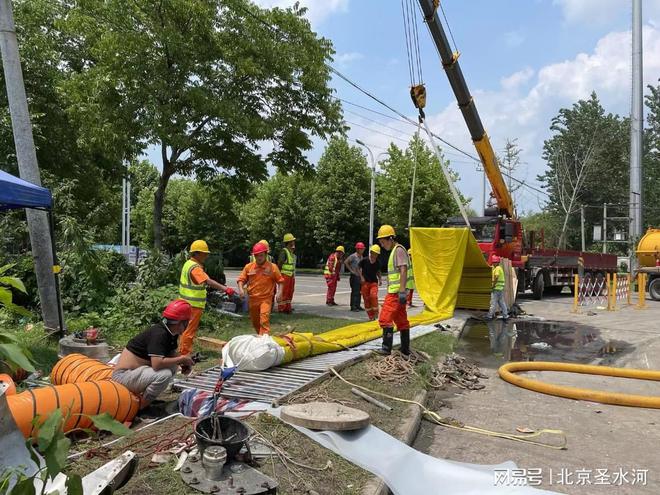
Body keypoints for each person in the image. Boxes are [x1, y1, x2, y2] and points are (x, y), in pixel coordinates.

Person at [112, 299, 195, 408]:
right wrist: (182, 359)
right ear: (181, 323)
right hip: (123, 376)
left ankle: (146, 399)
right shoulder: (159, 334)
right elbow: (157, 364)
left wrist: (184, 362)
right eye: (187, 322)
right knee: (164, 375)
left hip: (135, 373)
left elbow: (171, 355)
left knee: (172, 367)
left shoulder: (170, 332)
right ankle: (140, 407)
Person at [179, 240, 235, 355]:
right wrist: (225, 289)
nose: (206, 256)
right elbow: (208, 281)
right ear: (197, 253)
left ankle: (182, 352)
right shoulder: (195, 268)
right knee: (189, 331)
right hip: (193, 305)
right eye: (205, 253)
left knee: (184, 330)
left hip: (185, 303)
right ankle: (184, 356)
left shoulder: (188, 264)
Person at [376, 225, 411, 355]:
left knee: (385, 319)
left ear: (390, 238)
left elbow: (403, 269)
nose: (381, 244)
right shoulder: (396, 250)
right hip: (398, 293)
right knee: (401, 320)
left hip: (396, 293)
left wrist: (402, 291)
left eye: (382, 241)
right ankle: (405, 349)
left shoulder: (398, 250)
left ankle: (386, 349)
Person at [237, 242, 285, 335]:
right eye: (257, 256)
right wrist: (241, 289)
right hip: (252, 299)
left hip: (266, 299)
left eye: (261, 255)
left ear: (266, 254)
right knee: (255, 322)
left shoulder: (272, 267)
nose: (259, 258)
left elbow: (280, 281)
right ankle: (260, 336)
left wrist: (280, 293)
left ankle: (264, 340)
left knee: (264, 319)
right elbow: (241, 280)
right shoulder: (249, 267)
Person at [359, 244, 382, 320]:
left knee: (373, 296)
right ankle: (371, 317)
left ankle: (376, 312)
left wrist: (380, 279)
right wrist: (361, 277)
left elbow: (378, 271)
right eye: (373, 253)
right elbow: (358, 268)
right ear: (371, 252)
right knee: (366, 299)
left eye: (376, 254)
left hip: (374, 283)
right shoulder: (364, 260)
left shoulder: (378, 262)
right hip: (365, 283)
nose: (374, 255)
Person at [277, 233, 297, 314]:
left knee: (290, 292)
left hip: (290, 276)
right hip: (284, 275)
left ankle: (288, 308)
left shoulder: (290, 252)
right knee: (284, 292)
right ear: (289, 242)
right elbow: (280, 263)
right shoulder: (284, 252)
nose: (294, 242)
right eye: (292, 241)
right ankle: (282, 309)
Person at [344, 242, 366, 311]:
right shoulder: (353, 256)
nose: (363, 250)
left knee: (359, 291)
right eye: (361, 249)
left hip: (359, 276)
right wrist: (351, 270)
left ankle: (358, 305)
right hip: (354, 276)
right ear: (357, 249)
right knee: (355, 291)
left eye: (363, 249)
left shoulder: (361, 257)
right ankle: (353, 306)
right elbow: (346, 262)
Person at [486, 256, 508, 320]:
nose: (493, 263)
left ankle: (489, 316)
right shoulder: (499, 268)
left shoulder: (497, 269)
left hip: (496, 288)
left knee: (493, 302)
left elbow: (496, 276)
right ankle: (505, 315)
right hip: (500, 289)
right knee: (501, 302)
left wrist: (493, 286)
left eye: (494, 262)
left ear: (497, 262)